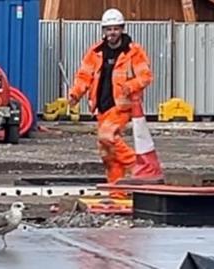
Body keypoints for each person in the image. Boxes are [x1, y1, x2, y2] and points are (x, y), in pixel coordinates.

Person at [68, 8, 154, 198]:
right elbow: (84, 76)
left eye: (116, 29)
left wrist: (129, 86)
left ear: (122, 29)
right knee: (108, 155)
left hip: (122, 105)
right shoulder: (96, 51)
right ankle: (117, 194)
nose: (112, 33)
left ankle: (138, 166)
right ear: (104, 31)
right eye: (109, 29)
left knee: (107, 136)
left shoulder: (133, 51)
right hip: (102, 106)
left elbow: (146, 76)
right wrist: (75, 94)